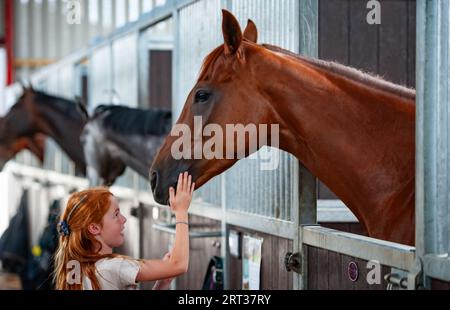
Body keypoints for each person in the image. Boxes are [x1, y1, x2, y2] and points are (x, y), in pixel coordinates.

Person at [53, 172, 194, 290]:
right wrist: (181, 211)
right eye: (116, 215)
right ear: (94, 228)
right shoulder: (112, 267)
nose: (123, 219)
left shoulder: (77, 268)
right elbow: (179, 265)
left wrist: (162, 284)